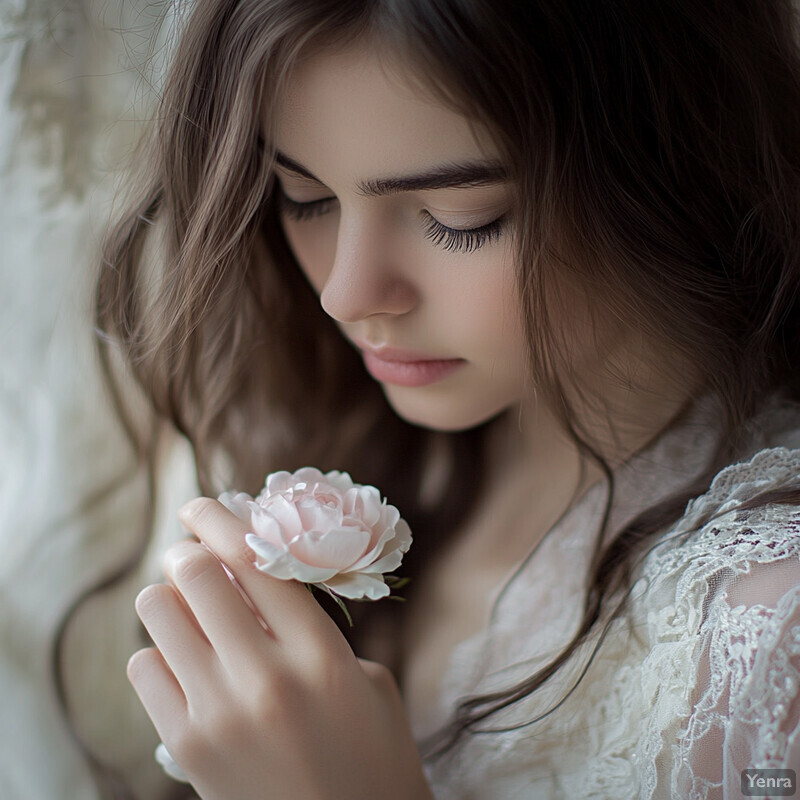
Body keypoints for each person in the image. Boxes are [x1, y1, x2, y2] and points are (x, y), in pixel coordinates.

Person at [89, 0, 800, 797]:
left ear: (673, 165)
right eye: (306, 198)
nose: (347, 295)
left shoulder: (768, 636)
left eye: (460, 219)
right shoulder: (375, 455)